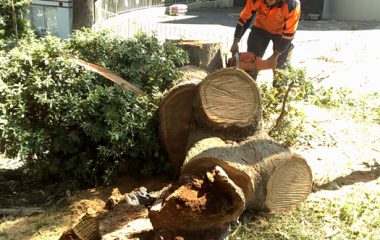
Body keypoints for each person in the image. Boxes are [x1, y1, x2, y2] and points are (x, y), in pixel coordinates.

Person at [230, 0, 301, 79]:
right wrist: (235, 41)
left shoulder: (292, 5)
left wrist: (275, 55)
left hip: (282, 34)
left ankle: (279, 89)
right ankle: (249, 87)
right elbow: (244, 19)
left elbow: (289, 34)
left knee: (280, 66)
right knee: (250, 62)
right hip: (260, 28)